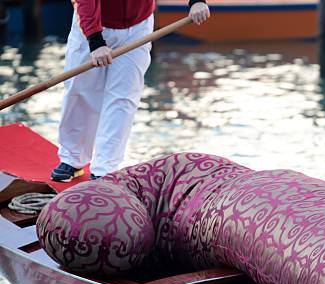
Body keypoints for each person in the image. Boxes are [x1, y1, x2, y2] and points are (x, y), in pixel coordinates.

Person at [51, 0, 210, 182]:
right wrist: (95, 41)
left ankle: (105, 169)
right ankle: (73, 159)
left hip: (138, 25)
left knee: (123, 97)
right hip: (93, 24)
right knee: (79, 90)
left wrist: (197, 1)